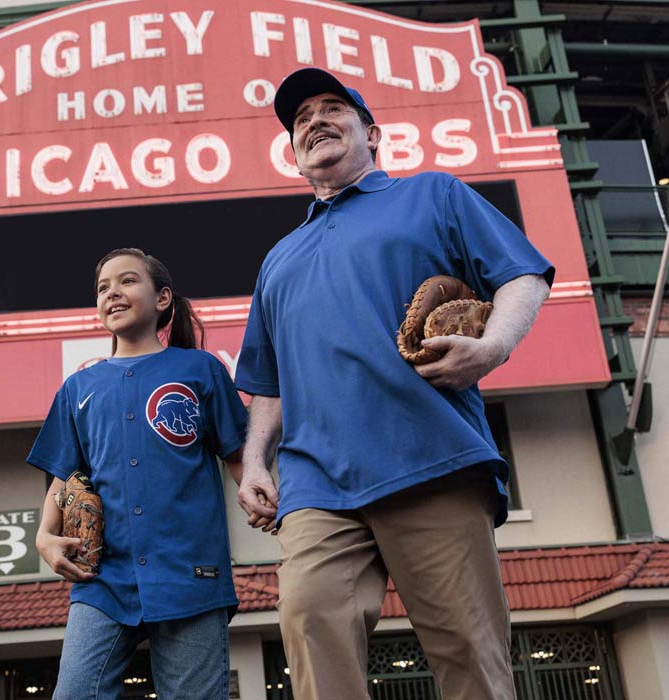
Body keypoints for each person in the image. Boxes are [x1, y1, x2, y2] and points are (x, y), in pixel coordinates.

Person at [234, 68, 554, 700]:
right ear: (295, 155)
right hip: (315, 482)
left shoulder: (432, 195)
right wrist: (253, 461)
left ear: (371, 133)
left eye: (333, 109)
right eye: (301, 120)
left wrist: (492, 348)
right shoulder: (278, 258)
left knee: (470, 653)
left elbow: (523, 275)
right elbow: (268, 382)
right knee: (308, 620)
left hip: (428, 454)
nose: (314, 121)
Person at [27, 247, 253, 700]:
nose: (113, 292)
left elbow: (240, 459)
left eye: (128, 281)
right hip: (104, 580)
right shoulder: (78, 388)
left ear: (163, 298)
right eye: (102, 287)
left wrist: (263, 499)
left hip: (191, 573)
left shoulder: (200, 369)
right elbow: (66, 479)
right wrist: (44, 536)